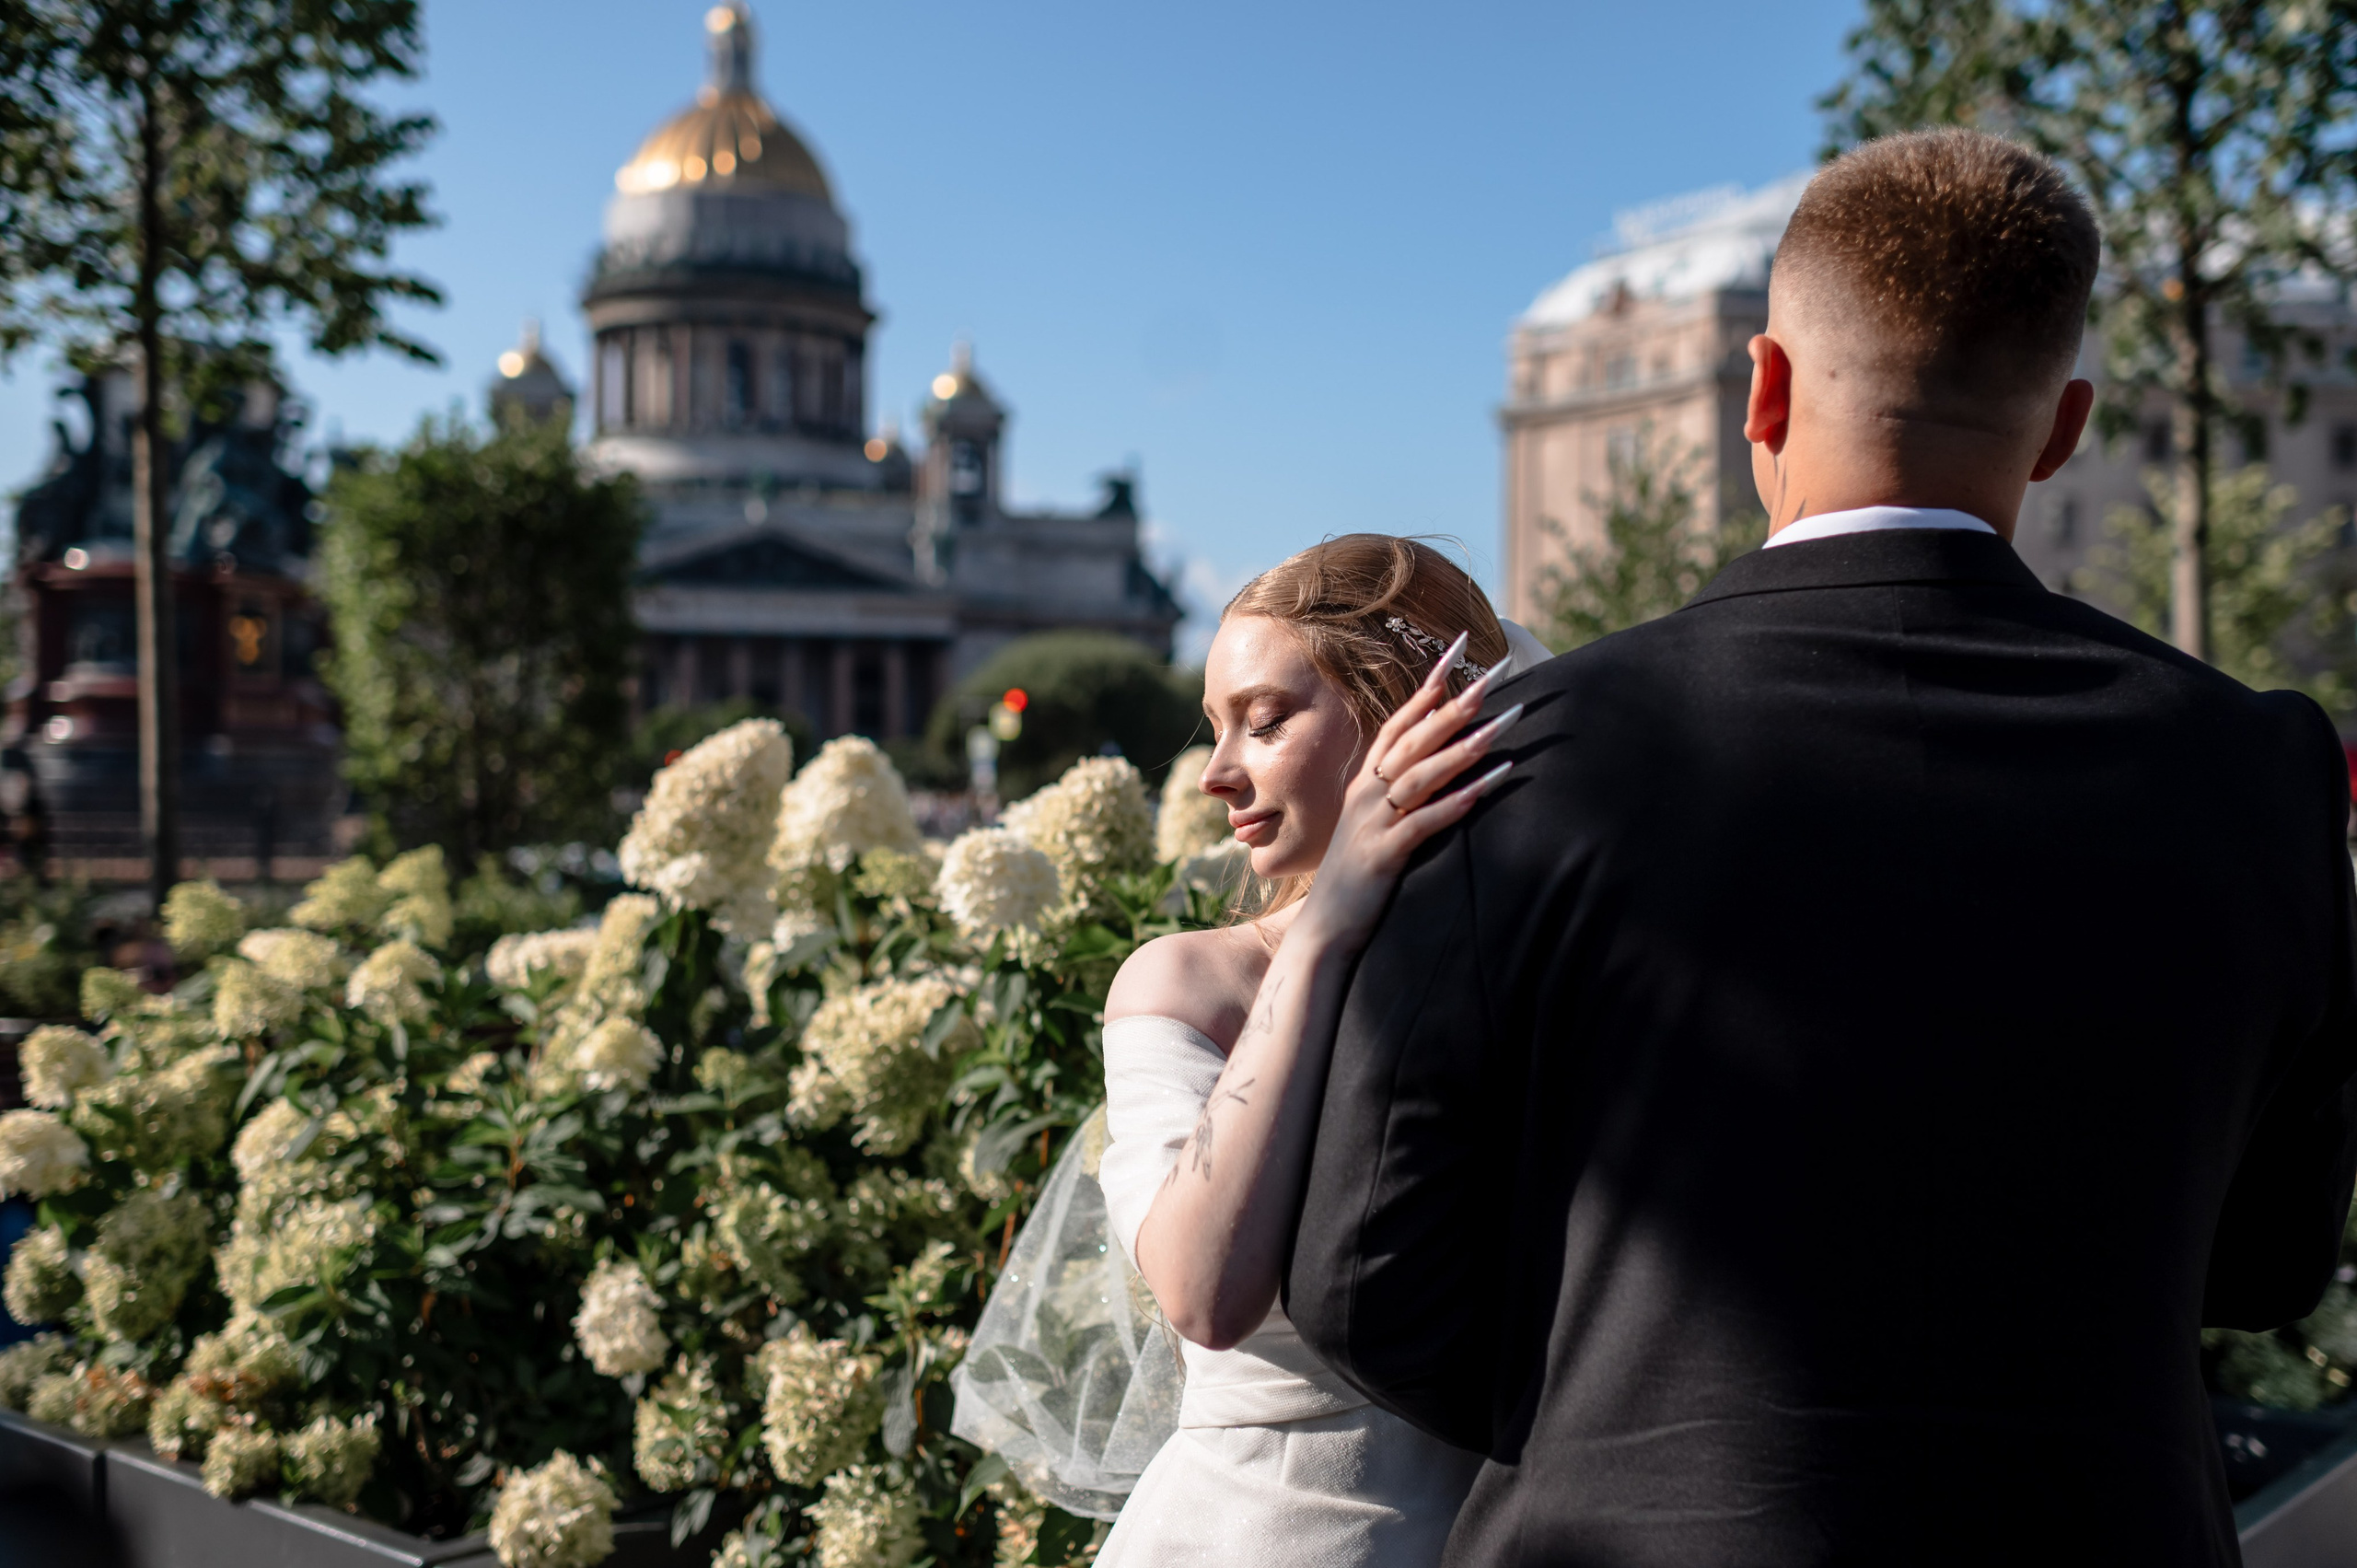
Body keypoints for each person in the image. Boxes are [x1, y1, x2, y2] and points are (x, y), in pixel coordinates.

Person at [1284, 126, 2357, 1566]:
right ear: (2064, 427)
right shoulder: (2257, 770)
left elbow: (1361, 1274)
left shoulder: (1522, 755)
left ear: (1764, 389)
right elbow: (2276, 1257)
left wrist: (1620, 1405)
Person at [1090, 535, 1551, 1566]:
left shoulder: (1536, 964)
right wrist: (1328, 920)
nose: (1216, 773)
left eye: (1265, 720)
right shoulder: (1186, 982)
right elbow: (1203, 1292)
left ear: (1401, 712)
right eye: (1213, 728)